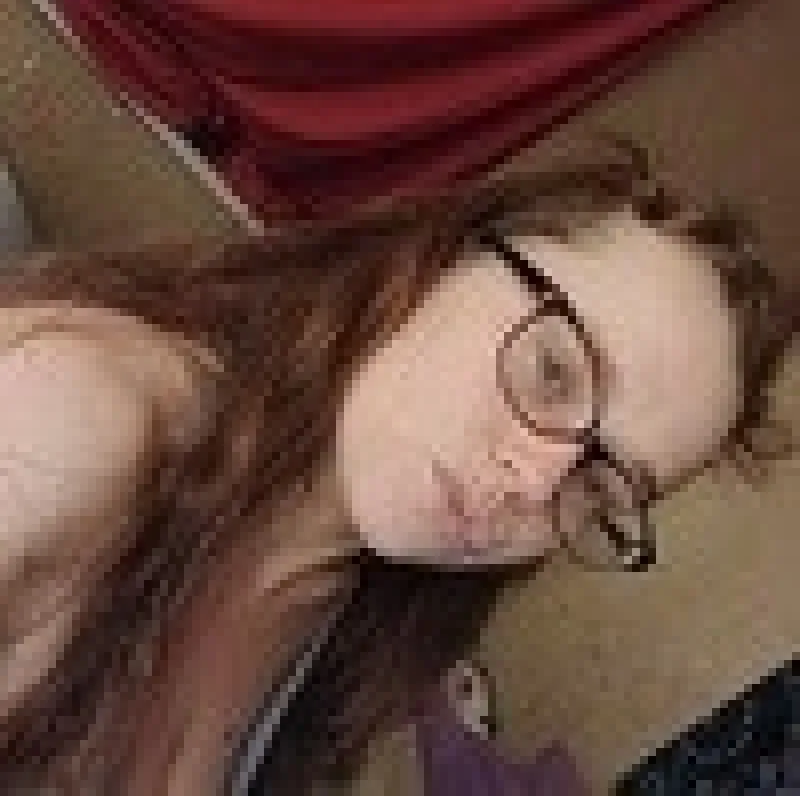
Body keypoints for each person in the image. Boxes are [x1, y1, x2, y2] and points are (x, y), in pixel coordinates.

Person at [0, 136, 795, 795]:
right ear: (449, 252)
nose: (536, 482)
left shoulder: (341, 619)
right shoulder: (77, 420)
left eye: (601, 486)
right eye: (553, 372)